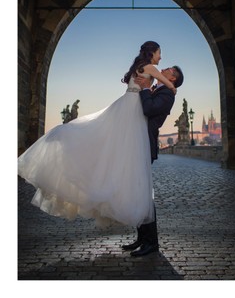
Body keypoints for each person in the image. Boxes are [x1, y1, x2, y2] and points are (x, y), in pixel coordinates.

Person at [18, 41, 179, 247]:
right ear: (151, 53)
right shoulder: (150, 68)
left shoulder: (141, 68)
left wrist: (162, 86)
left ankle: (146, 240)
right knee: (129, 169)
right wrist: (172, 87)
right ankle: (145, 239)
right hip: (131, 114)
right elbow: (167, 83)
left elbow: (156, 91)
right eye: (159, 53)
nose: (161, 58)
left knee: (116, 156)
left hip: (127, 111)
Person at [121, 62, 183, 257]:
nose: (163, 70)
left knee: (145, 194)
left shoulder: (167, 95)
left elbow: (148, 109)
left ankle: (152, 242)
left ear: (173, 78)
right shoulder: (158, 88)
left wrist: (146, 89)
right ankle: (142, 237)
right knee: (137, 192)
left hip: (145, 146)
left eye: (169, 70)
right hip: (136, 143)